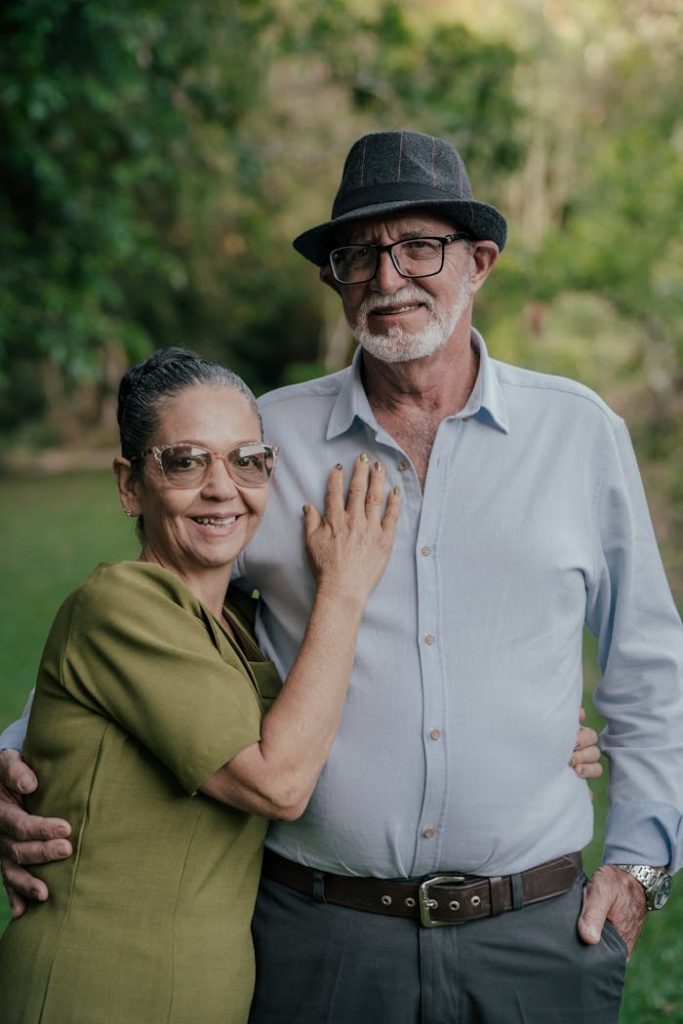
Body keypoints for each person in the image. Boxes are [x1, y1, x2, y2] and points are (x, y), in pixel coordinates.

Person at [2, 128, 678, 1022]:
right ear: (334, 279)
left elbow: (645, 663)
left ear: (478, 261)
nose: (387, 277)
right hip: (319, 936)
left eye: (418, 247)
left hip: (534, 934)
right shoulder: (264, 445)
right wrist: (15, 756)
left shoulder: (579, 433)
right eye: (358, 254)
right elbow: (157, 620)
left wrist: (637, 865)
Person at [0, 346, 401, 1023]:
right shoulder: (121, 604)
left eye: (247, 461)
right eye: (186, 461)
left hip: (202, 990)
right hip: (94, 990)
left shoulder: (235, 625)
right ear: (131, 485)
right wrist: (344, 587)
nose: (222, 487)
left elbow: (326, 717)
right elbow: (278, 781)